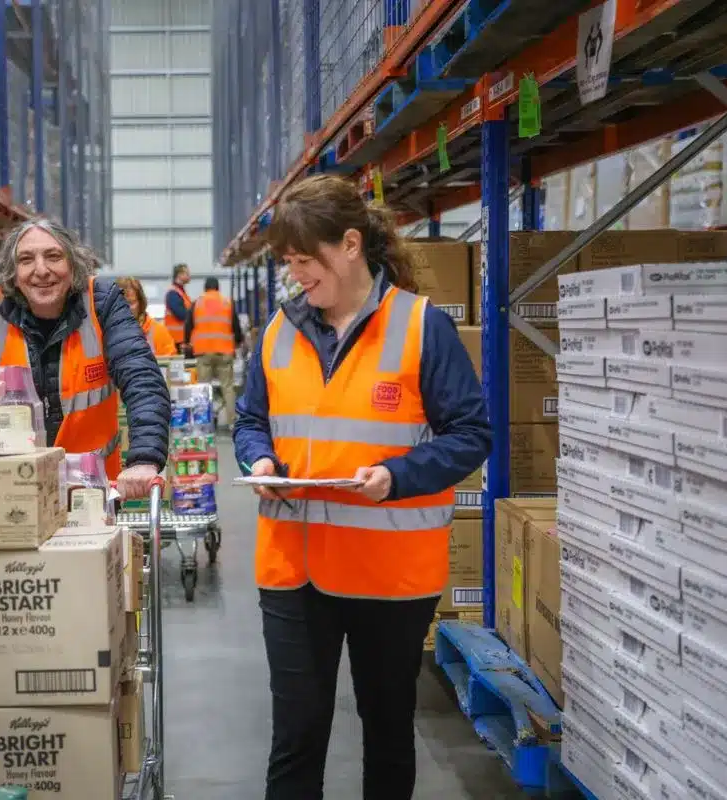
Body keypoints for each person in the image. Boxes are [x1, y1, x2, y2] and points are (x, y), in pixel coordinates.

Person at [232, 174, 492, 800]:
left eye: (305, 260)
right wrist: (259, 460)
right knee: (295, 736)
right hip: (293, 570)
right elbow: (250, 420)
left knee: (386, 728)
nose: (296, 274)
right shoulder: (279, 331)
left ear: (350, 245)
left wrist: (397, 476)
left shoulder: (420, 327)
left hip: (388, 573)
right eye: (289, 262)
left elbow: (471, 433)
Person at [0, 218, 171, 498]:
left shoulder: (102, 302)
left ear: (73, 264)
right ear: (12, 272)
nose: (41, 270)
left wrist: (144, 459)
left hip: (89, 493)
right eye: (26, 260)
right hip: (8, 492)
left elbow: (141, 378)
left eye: (53, 256)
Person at [184, 276, 245, 428]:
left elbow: (188, 325)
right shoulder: (227, 303)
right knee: (227, 387)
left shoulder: (197, 303)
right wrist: (238, 342)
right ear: (218, 288)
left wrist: (187, 342)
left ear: (205, 288)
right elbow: (236, 326)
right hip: (224, 352)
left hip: (204, 353)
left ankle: (203, 423)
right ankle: (232, 423)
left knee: (203, 388)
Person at [116, 276, 177, 356]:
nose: (126, 308)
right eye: (122, 304)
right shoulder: (107, 333)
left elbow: (170, 360)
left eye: (131, 302)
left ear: (141, 303)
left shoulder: (158, 332)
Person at [163, 263, 194, 346]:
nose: (189, 276)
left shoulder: (181, 293)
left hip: (181, 338)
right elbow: (181, 314)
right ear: (179, 275)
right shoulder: (173, 293)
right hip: (175, 339)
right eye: (187, 273)